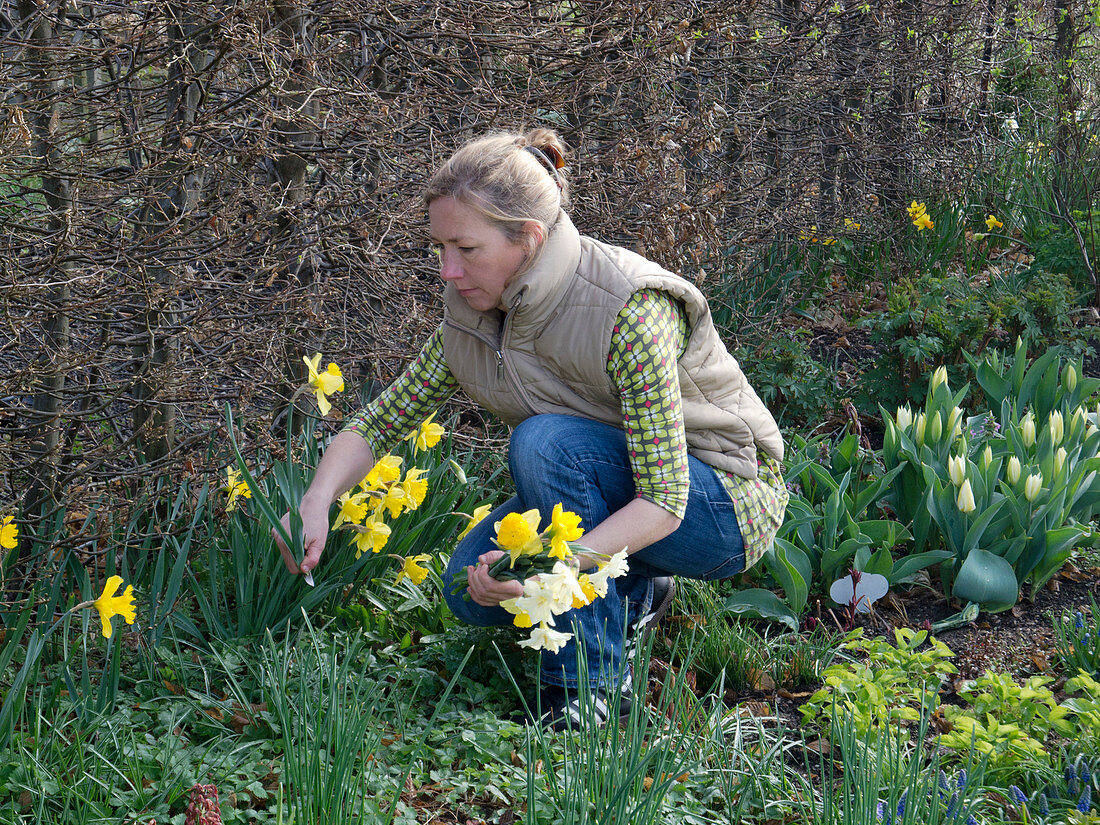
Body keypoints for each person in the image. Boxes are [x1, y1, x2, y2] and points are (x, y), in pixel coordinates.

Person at [273, 128, 788, 729]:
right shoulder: (473, 316)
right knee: (469, 591)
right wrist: (315, 500)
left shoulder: (629, 311)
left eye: (466, 249)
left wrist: (546, 575)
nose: (447, 270)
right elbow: (381, 420)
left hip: (722, 505)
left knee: (544, 444)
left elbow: (666, 500)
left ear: (530, 239)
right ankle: (637, 591)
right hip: (627, 491)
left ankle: (589, 688)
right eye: (439, 248)